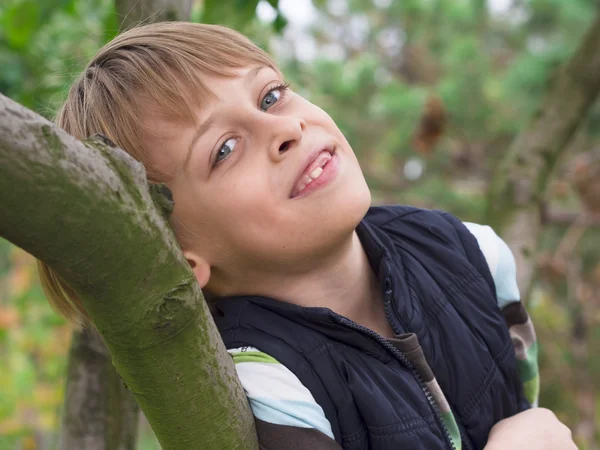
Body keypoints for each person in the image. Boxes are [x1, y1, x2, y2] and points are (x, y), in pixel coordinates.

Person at [38, 22, 576, 450]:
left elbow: (517, 397)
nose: (283, 130)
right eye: (224, 149)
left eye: (270, 96)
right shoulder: (267, 388)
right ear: (181, 256)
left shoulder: (473, 252)